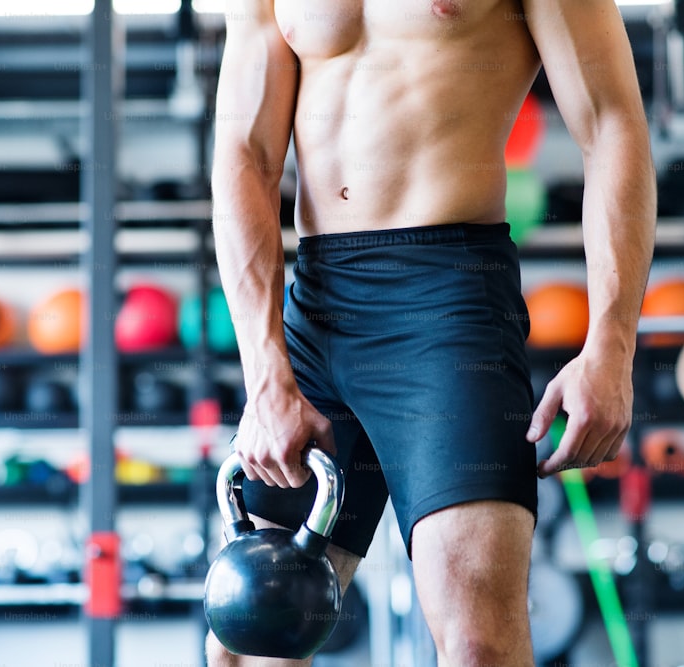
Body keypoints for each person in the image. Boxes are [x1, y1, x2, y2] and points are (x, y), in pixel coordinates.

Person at [208, 0, 656, 664]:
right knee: (252, 634)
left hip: (447, 302)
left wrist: (611, 345)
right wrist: (265, 375)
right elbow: (245, 152)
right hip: (314, 302)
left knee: (481, 645)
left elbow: (611, 122)